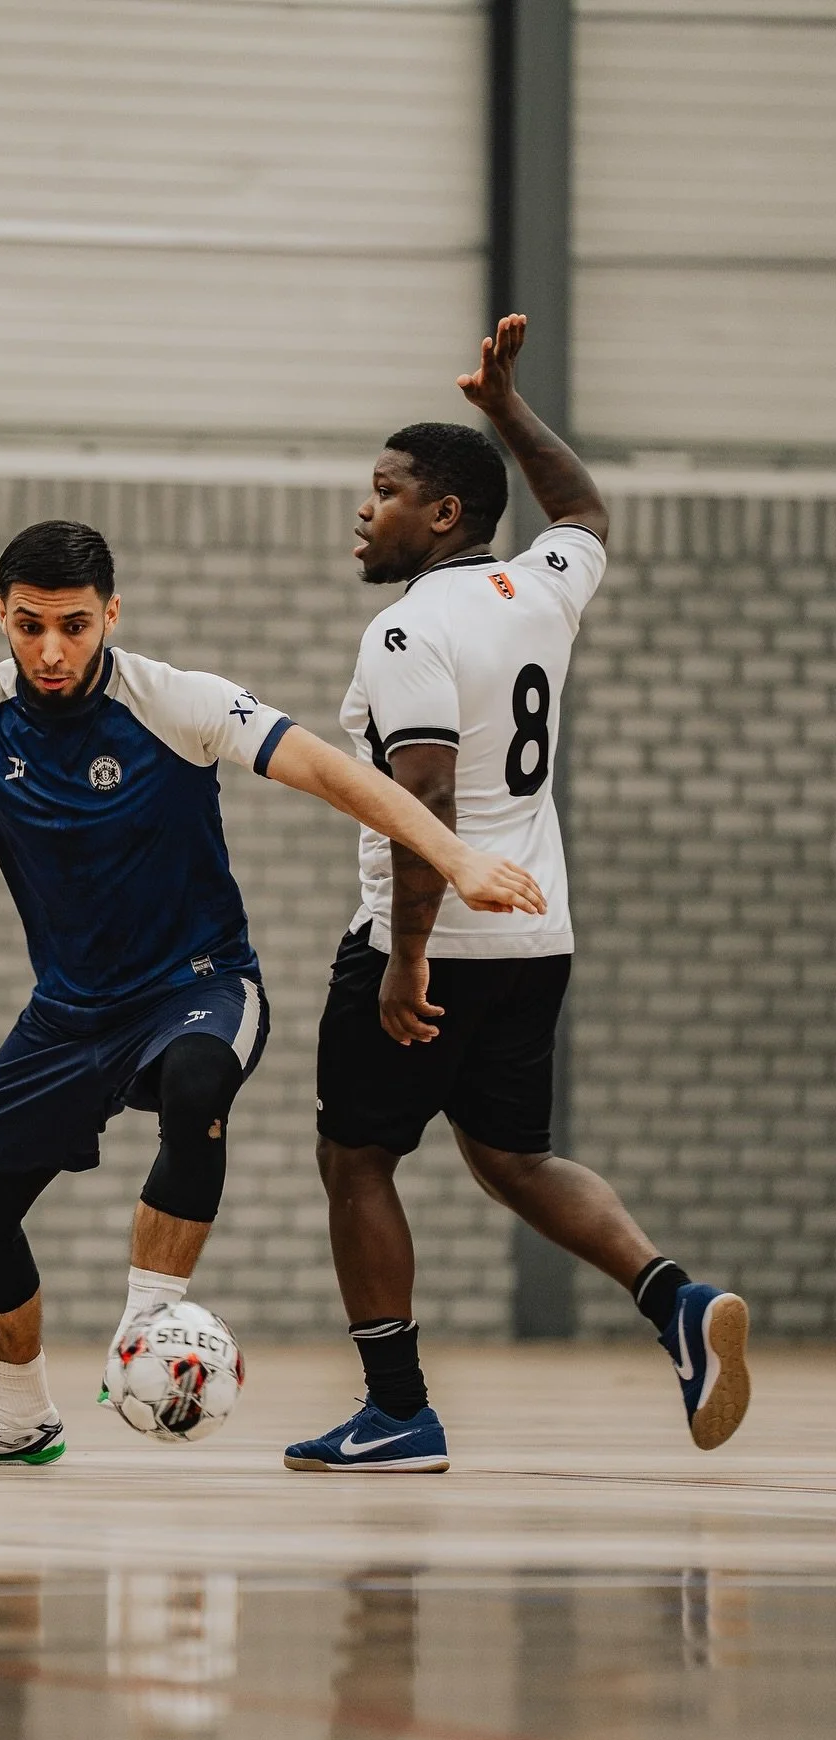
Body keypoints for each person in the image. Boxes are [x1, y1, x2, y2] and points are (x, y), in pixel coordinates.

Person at [0, 518, 545, 1466]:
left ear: (112, 614)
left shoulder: (179, 703)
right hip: (71, 1010)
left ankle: (147, 1325)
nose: (51, 650)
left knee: (195, 1087)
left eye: (73, 625)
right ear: (1, 617)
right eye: (29, 627)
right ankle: (17, 1414)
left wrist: (457, 856)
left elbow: (335, 775)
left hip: (200, 984)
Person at [283, 316, 751, 1474]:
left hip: (432, 940)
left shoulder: (406, 630)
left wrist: (402, 958)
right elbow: (585, 511)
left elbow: (426, 790)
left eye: (385, 491)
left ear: (441, 514)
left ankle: (397, 1411)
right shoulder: (541, 585)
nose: (366, 508)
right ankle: (672, 1298)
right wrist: (506, 408)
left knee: (358, 1161)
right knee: (511, 1157)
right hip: (538, 932)